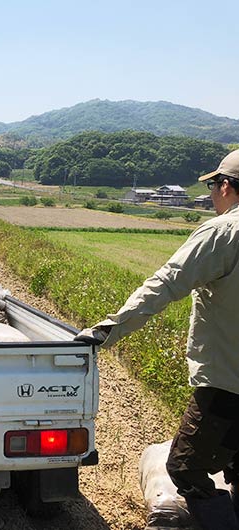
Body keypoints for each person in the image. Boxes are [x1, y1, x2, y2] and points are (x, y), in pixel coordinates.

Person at [75, 149, 239, 530]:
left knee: (186, 466)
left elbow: (164, 285)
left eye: (213, 185)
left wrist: (105, 331)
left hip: (227, 384)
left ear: (227, 186)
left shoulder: (224, 233)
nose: (213, 194)